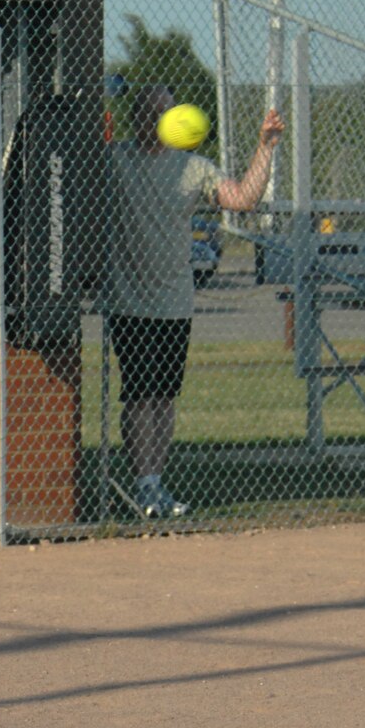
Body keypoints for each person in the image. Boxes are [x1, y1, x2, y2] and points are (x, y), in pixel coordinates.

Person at [101, 86, 284, 519]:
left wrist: (266, 147)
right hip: (128, 299)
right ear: (138, 116)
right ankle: (143, 483)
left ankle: (156, 484)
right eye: (151, 110)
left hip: (175, 299)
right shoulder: (116, 160)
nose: (159, 116)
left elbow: (242, 199)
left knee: (164, 396)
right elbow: (80, 166)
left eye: (165, 109)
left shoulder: (193, 167)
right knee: (140, 395)